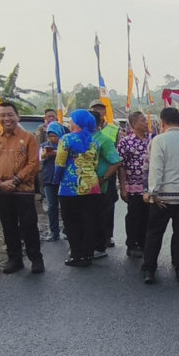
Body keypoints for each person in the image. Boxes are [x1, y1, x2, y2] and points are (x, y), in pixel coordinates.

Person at [0, 102, 44, 275]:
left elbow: (34, 164)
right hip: (1, 191)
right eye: (3, 115)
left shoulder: (29, 138)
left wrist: (15, 180)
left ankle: (36, 259)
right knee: (8, 226)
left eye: (10, 115)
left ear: (17, 117)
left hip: (23, 190)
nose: (6, 118)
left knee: (29, 225)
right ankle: (14, 259)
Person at [141, 107, 179, 284]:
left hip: (164, 196)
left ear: (163, 121)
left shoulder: (159, 140)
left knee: (154, 233)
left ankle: (149, 269)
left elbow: (156, 168)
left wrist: (152, 192)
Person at [54, 109, 103, 267]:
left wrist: (56, 180)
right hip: (92, 186)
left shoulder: (66, 139)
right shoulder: (94, 142)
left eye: (72, 119)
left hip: (70, 186)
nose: (70, 122)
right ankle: (88, 254)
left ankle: (76, 254)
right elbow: (95, 164)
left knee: (71, 221)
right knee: (89, 221)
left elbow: (60, 163)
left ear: (77, 123)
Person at [118, 111, 152, 258]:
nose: (146, 123)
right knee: (134, 216)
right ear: (134, 124)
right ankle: (132, 244)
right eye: (143, 120)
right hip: (133, 186)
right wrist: (123, 188)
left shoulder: (153, 139)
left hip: (150, 186)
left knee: (148, 216)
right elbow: (121, 166)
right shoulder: (126, 142)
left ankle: (145, 243)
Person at [89, 110, 122, 260]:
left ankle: (100, 245)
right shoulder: (79, 138)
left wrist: (103, 178)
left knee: (99, 216)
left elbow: (116, 161)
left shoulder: (104, 139)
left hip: (99, 186)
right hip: (81, 187)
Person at [40, 122, 66, 242]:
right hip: (49, 178)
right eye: (50, 136)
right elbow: (40, 158)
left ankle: (67, 230)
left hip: (63, 178)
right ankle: (54, 231)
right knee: (52, 206)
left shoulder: (65, 144)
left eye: (55, 136)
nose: (53, 138)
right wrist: (46, 154)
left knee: (66, 206)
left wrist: (57, 153)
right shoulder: (44, 145)